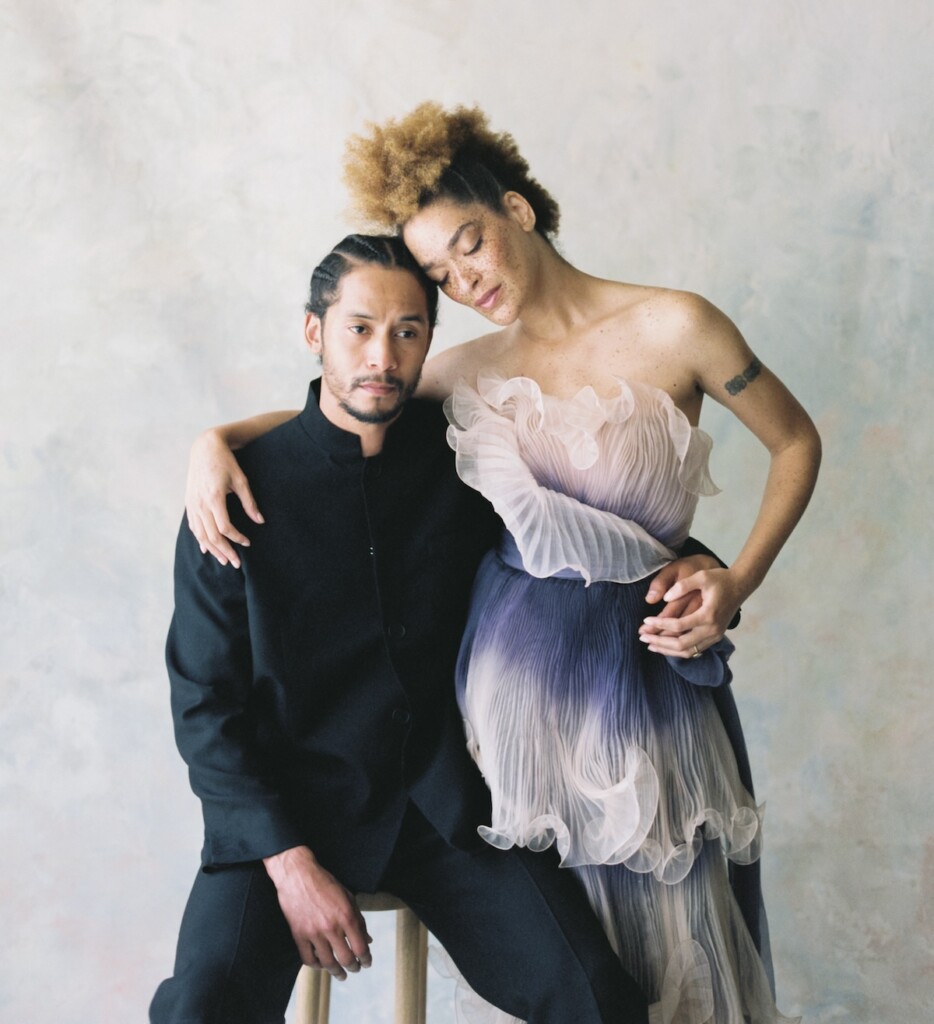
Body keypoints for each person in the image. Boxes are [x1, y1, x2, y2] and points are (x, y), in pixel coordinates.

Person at [184, 105, 820, 1023]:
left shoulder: (678, 324)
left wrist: (737, 577)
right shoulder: (462, 371)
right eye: (442, 274)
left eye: (467, 246)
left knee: (667, 954)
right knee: (574, 949)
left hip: (644, 679)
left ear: (519, 208)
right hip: (510, 704)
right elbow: (346, 407)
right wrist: (216, 440)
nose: (464, 280)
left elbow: (795, 442)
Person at [153, 232, 702, 1024]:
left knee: (600, 1002)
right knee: (197, 1010)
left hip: (443, 811)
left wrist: (705, 572)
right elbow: (204, 705)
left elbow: (588, 533)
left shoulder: (467, 463)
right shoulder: (236, 493)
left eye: (408, 330)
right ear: (315, 333)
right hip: (284, 819)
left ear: (428, 342)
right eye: (360, 328)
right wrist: (286, 861)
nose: (383, 353)